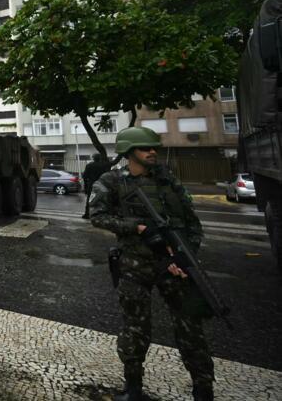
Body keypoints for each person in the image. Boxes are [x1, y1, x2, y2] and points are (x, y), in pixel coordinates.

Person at [89, 127, 213, 401]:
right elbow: (97, 216)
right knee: (135, 330)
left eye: (154, 147)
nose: (152, 152)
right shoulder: (112, 181)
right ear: (130, 152)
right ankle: (133, 390)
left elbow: (192, 223)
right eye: (146, 148)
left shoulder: (168, 181)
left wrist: (184, 257)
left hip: (175, 267)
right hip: (135, 266)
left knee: (191, 332)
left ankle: (203, 391)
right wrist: (138, 228)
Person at [82, 152, 112, 219]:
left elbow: (85, 176)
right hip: (102, 184)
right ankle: (104, 213)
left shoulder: (89, 165)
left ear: (93, 158)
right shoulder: (104, 165)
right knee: (103, 200)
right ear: (100, 158)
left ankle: (87, 214)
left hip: (92, 185)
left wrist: (85, 186)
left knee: (90, 199)